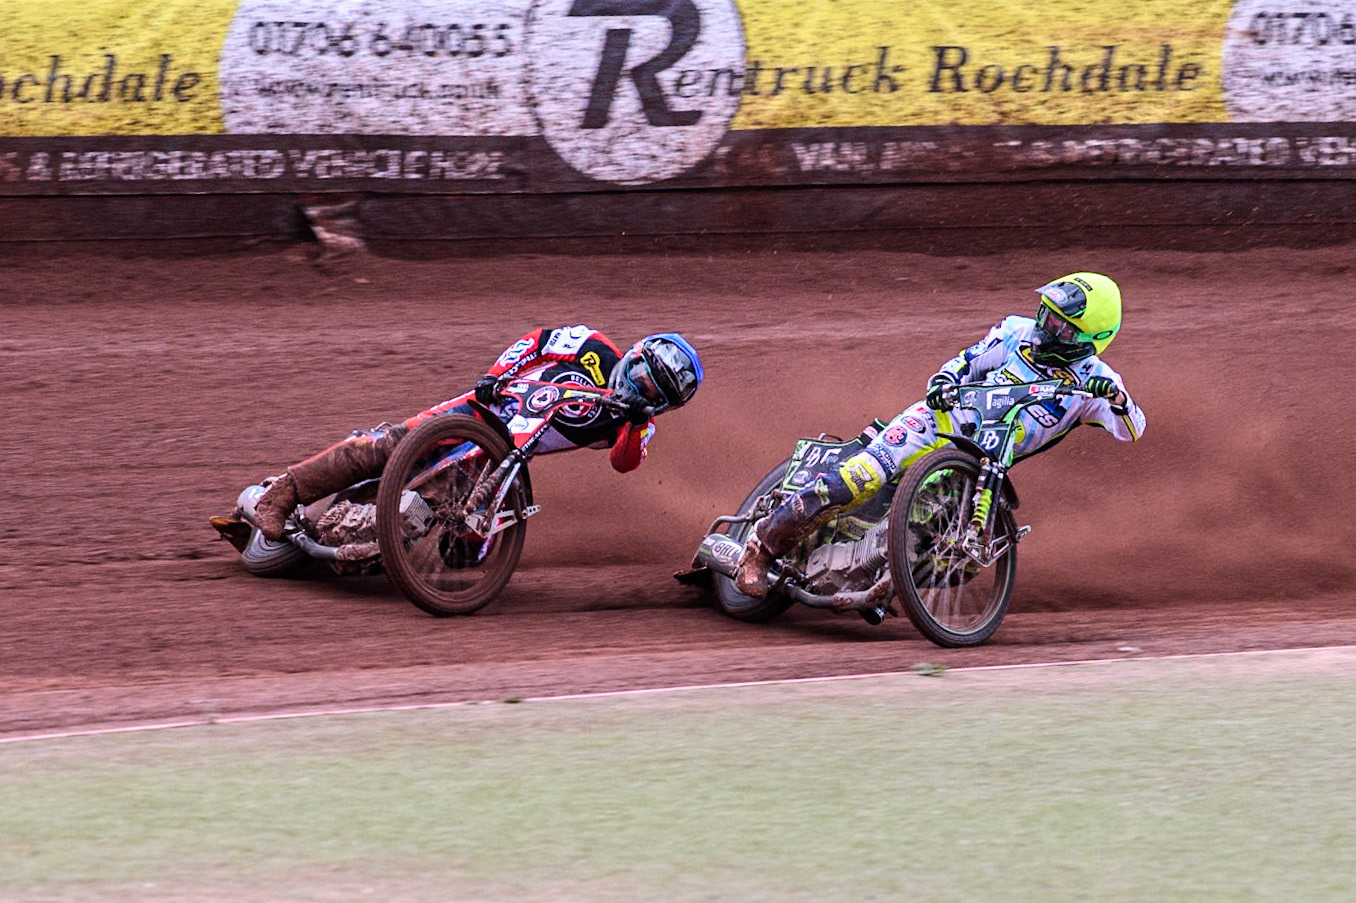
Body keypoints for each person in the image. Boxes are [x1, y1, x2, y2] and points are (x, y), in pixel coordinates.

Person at [734, 271, 1146, 598]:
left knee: (965, 560)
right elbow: (966, 361)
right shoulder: (1016, 333)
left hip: (979, 468)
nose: (1049, 325)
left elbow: (1133, 428)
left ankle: (888, 579)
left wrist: (1117, 399)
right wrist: (944, 380)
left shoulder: (1096, 381)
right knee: (859, 479)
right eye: (1048, 312)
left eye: (1064, 325)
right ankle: (760, 550)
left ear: (1093, 340)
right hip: (936, 422)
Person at [238, 325, 702, 542]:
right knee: (389, 446)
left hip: (505, 457)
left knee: (448, 516)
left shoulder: (636, 424)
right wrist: (497, 373)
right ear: (636, 354)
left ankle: (350, 534)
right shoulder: (594, 346)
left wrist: (637, 415)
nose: (639, 389)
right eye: (642, 377)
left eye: (653, 393)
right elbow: (538, 340)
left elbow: (624, 462)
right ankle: (281, 494)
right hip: (480, 409)